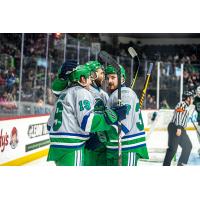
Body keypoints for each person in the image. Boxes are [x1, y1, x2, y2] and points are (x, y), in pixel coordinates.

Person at [47, 65, 127, 166]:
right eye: (89, 78)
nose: (91, 81)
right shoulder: (82, 92)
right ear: (82, 79)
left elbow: (49, 125)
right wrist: (113, 115)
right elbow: (87, 122)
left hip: (57, 146)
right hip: (71, 146)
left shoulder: (64, 93)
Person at [104, 65, 149, 166]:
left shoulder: (126, 94)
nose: (109, 81)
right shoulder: (116, 94)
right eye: (107, 78)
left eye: (113, 77)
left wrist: (103, 136)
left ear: (122, 78)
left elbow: (122, 127)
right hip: (118, 146)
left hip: (127, 146)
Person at [84, 61, 109, 166]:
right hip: (89, 144)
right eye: (101, 73)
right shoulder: (84, 93)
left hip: (103, 143)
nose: (104, 76)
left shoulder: (103, 94)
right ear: (93, 75)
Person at [163, 91, 193, 166]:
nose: (192, 100)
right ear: (187, 98)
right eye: (191, 98)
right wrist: (179, 128)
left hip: (180, 128)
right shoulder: (182, 104)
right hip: (175, 127)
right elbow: (179, 114)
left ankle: (181, 164)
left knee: (188, 146)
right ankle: (165, 166)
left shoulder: (185, 106)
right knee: (172, 149)